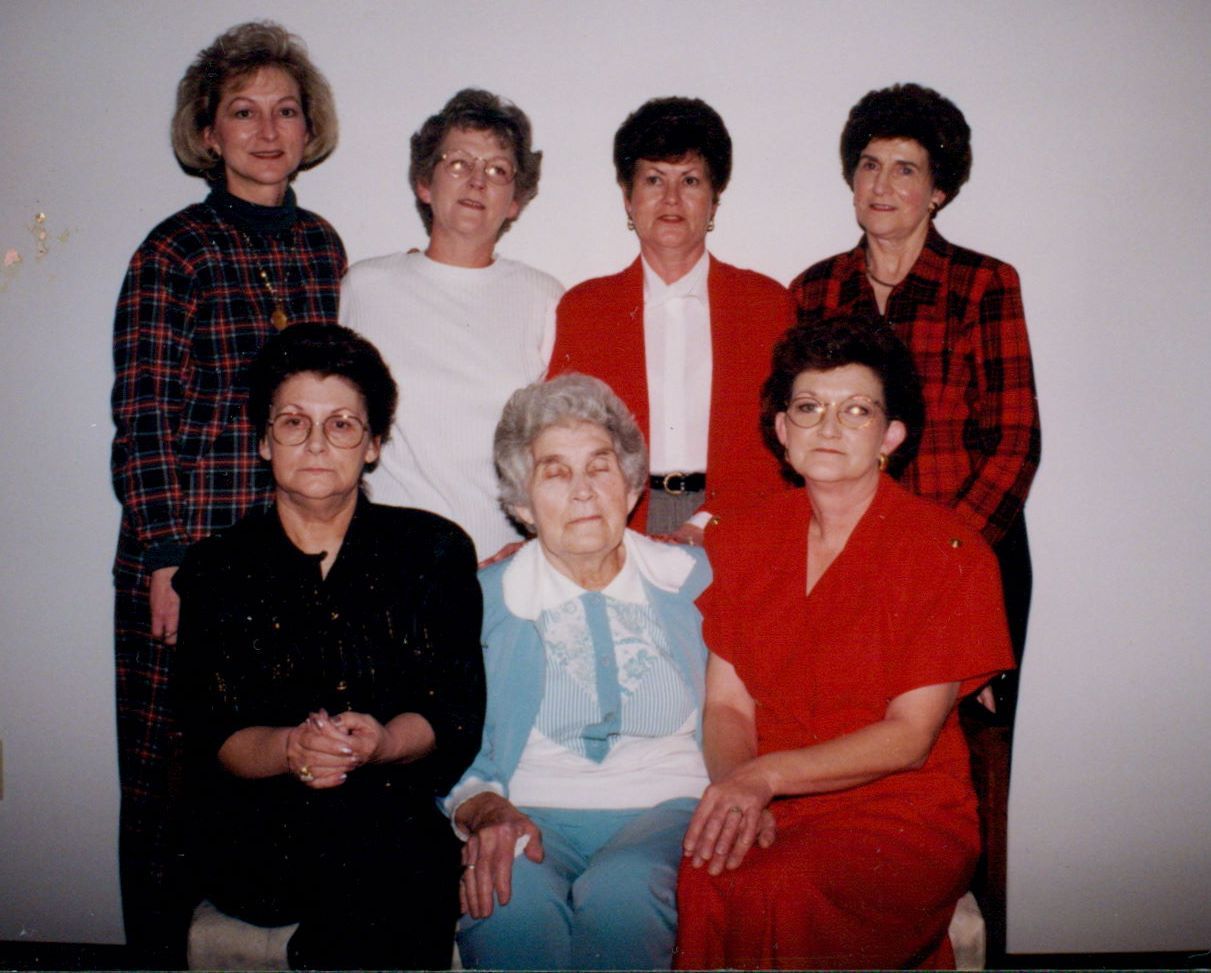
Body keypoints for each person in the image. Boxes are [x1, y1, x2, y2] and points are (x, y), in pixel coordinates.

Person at [108, 21, 345, 960]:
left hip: (292, 550)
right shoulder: (174, 251)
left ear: (308, 128)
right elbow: (143, 414)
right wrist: (165, 556)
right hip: (191, 557)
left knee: (283, 762)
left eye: (285, 111)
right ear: (208, 132)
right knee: (170, 784)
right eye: (243, 112)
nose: (267, 130)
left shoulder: (323, 248)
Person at [674, 318, 1015, 970]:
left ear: (891, 435)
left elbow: (909, 736)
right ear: (782, 429)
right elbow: (726, 706)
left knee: (784, 888)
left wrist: (764, 777)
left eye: (855, 410)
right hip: (772, 798)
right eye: (808, 408)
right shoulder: (740, 539)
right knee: (704, 877)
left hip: (899, 809)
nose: (827, 426)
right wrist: (741, 789)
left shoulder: (948, 550)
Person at [174, 323, 485, 970]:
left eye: (342, 424)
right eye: (294, 422)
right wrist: (293, 749)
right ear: (264, 440)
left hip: (389, 810)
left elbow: (454, 712)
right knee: (381, 861)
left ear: (373, 445)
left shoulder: (433, 551)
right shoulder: (215, 568)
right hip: (261, 827)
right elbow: (212, 731)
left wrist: (381, 741)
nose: (316, 443)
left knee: (396, 850)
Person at [446, 374, 712, 970]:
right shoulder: (483, 600)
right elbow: (449, 740)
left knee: (624, 894)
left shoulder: (694, 582)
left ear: (632, 485)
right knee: (506, 900)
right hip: (527, 809)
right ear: (522, 506)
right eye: (556, 473)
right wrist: (485, 809)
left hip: (672, 808)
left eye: (600, 467)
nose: (584, 491)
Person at [790, 82, 1040, 706]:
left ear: (938, 191)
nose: (881, 185)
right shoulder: (814, 291)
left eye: (905, 169)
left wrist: (941, 551)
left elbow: (1015, 440)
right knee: (850, 733)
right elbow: (797, 432)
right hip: (844, 559)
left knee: (965, 749)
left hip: (967, 553)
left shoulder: (983, 284)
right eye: (869, 165)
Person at [550, 96, 794, 543]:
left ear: (714, 202)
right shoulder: (585, 309)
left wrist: (704, 525)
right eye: (653, 179)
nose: (671, 199)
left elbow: (783, 442)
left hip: (739, 520)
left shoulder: (766, 305)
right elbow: (562, 441)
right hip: (617, 525)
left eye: (691, 180)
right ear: (628, 199)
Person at [341, 88, 562, 560]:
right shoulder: (366, 288)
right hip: (390, 559)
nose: (477, 181)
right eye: (459, 163)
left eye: (497, 170)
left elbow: (556, 444)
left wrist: (534, 544)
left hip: (505, 561)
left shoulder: (544, 297)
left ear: (515, 201)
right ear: (425, 184)